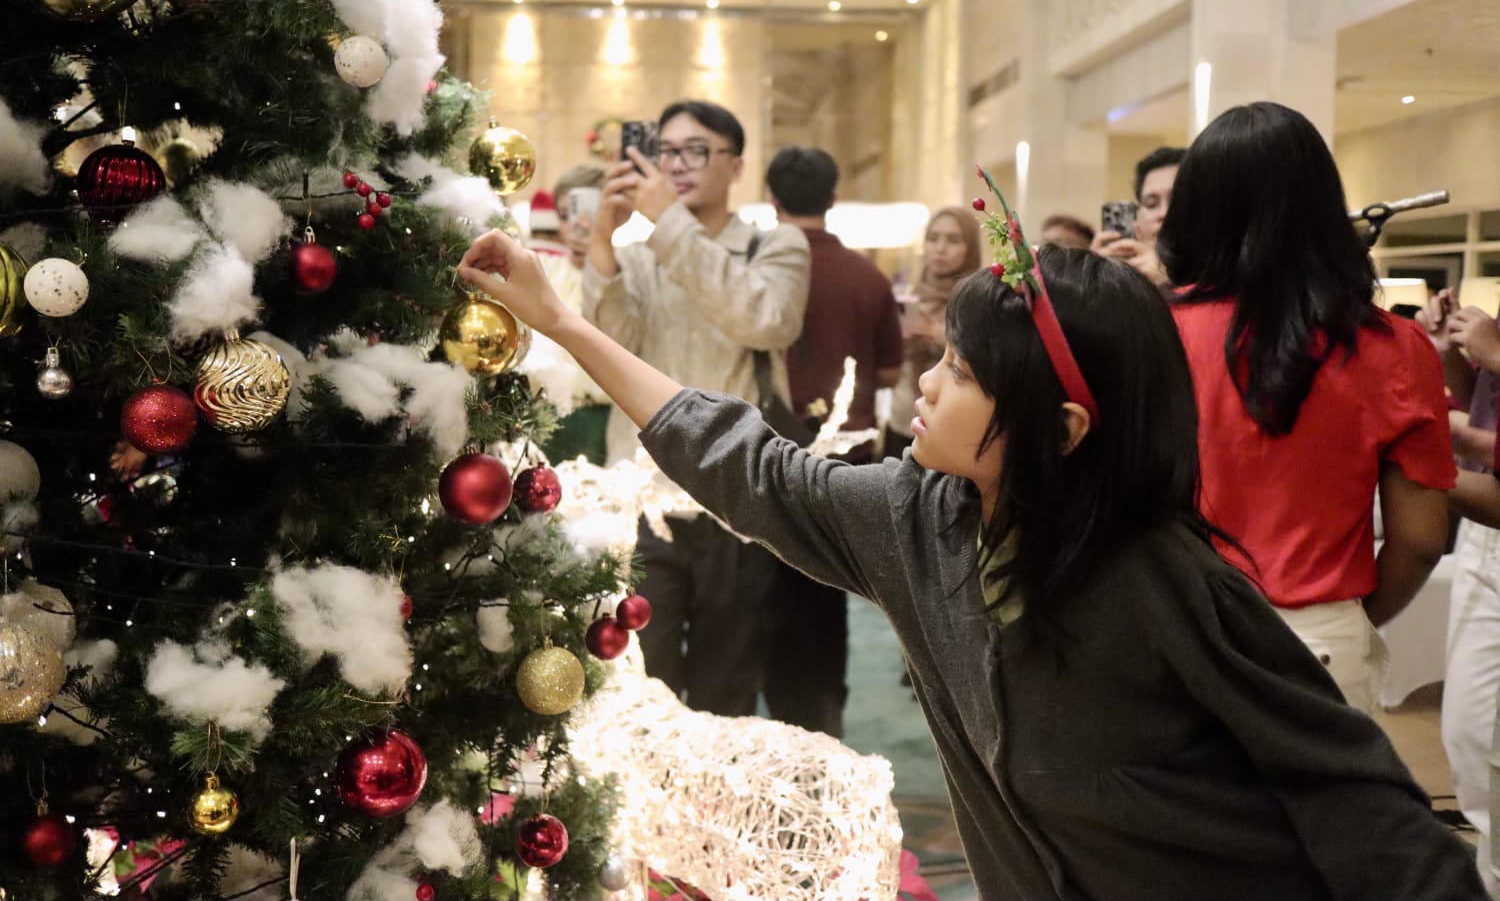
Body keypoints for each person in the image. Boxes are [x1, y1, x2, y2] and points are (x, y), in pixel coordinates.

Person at [458, 211, 1484, 901]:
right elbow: (748, 466)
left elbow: (1350, 788)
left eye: (961, 371)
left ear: (1062, 426)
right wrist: (560, 321)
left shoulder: (1166, 578)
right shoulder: (920, 517)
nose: (931, 389)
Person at [1159, 101, 1454, 712]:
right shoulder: (1396, 347)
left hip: (1173, 628)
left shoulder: (1152, 330)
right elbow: (1420, 540)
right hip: (1321, 644)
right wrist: (1346, 621)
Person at [581, 100, 810, 716]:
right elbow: (609, 354)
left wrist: (665, 222)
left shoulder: (777, 245)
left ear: (735, 165)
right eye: (667, 151)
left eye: (696, 151)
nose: (677, 165)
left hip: (735, 500)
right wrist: (604, 237)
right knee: (637, 682)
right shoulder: (637, 250)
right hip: (644, 498)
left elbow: (764, 319)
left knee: (726, 685)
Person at [761, 144, 903, 737]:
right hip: (848, 456)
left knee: (767, 591)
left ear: (771, 201)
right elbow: (892, 373)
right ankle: (824, 718)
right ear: (834, 198)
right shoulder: (867, 276)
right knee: (827, 596)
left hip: (769, 448)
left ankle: (771, 715)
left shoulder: (761, 271)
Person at [1418, 290, 1500, 893]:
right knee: (1470, 735)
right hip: (1483, 536)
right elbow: (1483, 418)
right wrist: (1452, 356)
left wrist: (1413, 444)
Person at [885, 207, 981, 457]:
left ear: (969, 247)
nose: (940, 248)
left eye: (953, 240)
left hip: (951, 425)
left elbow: (985, 359)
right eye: (933, 238)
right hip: (903, 417)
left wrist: (941, 336)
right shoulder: (909, 293)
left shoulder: (979, 298)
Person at [537, 163, 611, 465]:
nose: (575, 225)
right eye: (565, 215)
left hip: (608, 418)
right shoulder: (543, 271)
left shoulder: (629, 276)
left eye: (588, 211)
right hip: (547, 416)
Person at [1092, 145, 1183, 286]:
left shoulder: (1216, 278)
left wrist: (1166, 285)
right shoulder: (1126, 275)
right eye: (1151, 204)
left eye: (1175, 200)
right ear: (1137, 222)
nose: (1163, 213)